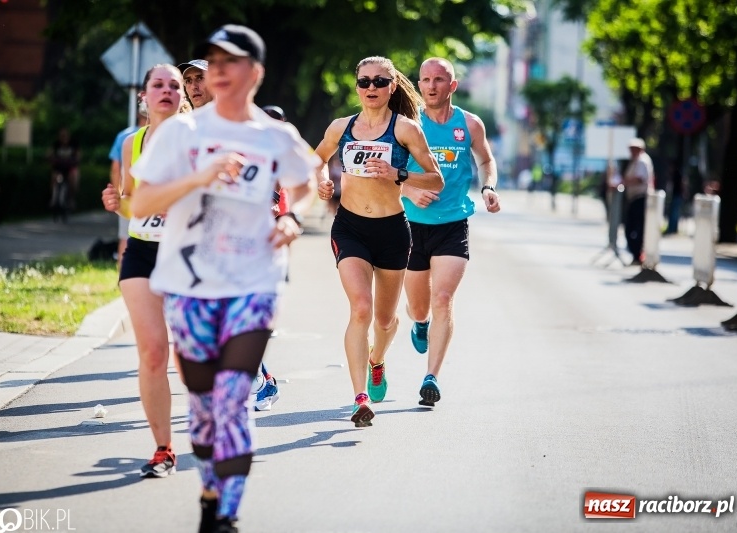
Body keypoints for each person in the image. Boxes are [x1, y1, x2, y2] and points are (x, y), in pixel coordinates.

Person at [129, 25, 318, 533]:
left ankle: (226, 515)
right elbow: (141, 201)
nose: (216, 68)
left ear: (253, 72)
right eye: (211, 59)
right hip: (190, 287)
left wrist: (291, 217)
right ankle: (210, 489)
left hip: (253, 283)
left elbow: (308, 185)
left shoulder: (274, 135)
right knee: (204, 407)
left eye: (229, 60)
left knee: (233, 399)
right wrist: (198, 177)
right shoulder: (182, 133)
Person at [314, 56, 443, 427]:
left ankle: (377, 359)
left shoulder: (406, 130)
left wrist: (397, 173)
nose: (371, 88)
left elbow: (436, 180)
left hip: (391, 232)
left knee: (385, 321)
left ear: (392, 87)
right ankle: (359, 398)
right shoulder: (342, 127)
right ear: (356, 86)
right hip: (350, 228)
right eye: (364, 81)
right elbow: (317, 158)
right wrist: (323, 179)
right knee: (360, 309)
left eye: (379, 82)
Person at [101, 64, 187, 479]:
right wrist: (121, 203)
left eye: (175, 85)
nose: (167, 91)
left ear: (183, 96)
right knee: (153, 350)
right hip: (142, 251)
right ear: (145, 96)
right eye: (159, 85)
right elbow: (134, 201)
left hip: (187, 255)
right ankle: (163, 449)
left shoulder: (197, 139)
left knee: (190, 358)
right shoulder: (131, 143)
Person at [399, 58, 500, 406]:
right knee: (417, 306)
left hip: (453, 223)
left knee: (443, 299)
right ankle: (420, 323)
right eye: (425, 79)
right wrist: (409, 191)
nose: (431, 85)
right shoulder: (409, 125)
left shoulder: (469, 124)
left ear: (452, 85)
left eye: (439, 79)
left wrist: (489, 187)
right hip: (411, 225)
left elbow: (486, 160)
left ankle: (432, 377)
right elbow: (384, 173)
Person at [109, 108, 148, 270]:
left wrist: (117, 194)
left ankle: (122, 278)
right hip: (139, 196)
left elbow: (115, 168)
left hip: (129, 194)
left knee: (125, 238)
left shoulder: (124, 136)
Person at [623, 137, 654, 265]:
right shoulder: (636, 161)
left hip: (640, 198)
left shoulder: (642, 161)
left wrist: (624, 183)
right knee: (632, 227)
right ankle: (636, 254)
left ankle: (638, 254)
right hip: (635, 198)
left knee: (634, 228)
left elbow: (639, 179)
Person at [49, 127, 81, 211]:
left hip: (70, 168)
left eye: (65, 135)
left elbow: (78, 155)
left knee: (73, 178)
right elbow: (50, 153)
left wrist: (77, 159)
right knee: (54, 178)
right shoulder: (56, 144)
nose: (63, 137)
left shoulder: (73, 144)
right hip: (59, 168)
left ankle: (71, 198)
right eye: (61, 135)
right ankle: (54, 198)